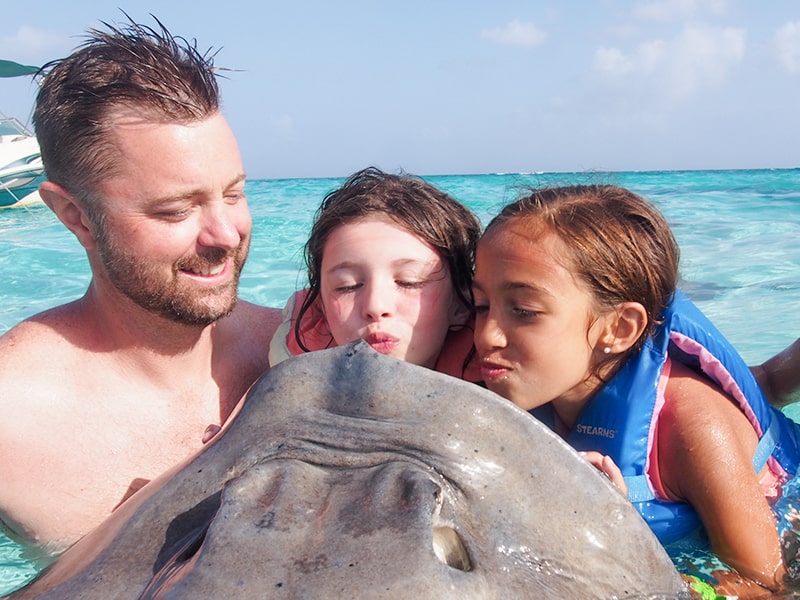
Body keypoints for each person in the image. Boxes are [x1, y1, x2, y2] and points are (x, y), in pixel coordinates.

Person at [0, 19, 282, 555]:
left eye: (233, 194)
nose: (224, 235)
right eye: (175, 209)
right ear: (75, 216)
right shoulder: (11, 414)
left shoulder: (296, 353)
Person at [470, 184, 800, 595]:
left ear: (619, 328)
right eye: (480, 305)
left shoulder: (693, 425)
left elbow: (768, 583)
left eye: (524, 311)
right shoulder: (513, 385)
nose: (487, 335)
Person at [269, 166, 482, 381]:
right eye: (347, 286)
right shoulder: (296, 378)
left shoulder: (496, 387)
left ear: (461, 303)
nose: (375, 307)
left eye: (409, 282)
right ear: (322, 306)